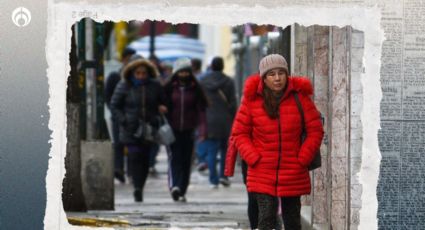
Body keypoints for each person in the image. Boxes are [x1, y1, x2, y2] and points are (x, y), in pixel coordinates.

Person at [227, 54, 324, 229]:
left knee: (292, 219)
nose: (277, 78)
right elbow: (240, 133)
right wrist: (253, 157)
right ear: (263, 78)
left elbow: (315, 130)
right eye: (271, 74)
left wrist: (303, 157)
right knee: (266, 217)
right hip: (262, 170)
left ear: (287, 74)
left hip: (293, 169)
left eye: (281, 73)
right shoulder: (251, 100)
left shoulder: (300, 98)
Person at [110, 57, 167, 202]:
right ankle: (136, 187)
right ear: (132, 73)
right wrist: (123, 119)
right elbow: (114, 105)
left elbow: (164, 101)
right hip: (131, 128)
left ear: (148, 73)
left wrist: (161, 109)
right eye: (138, 73)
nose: (141, 76)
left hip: (149, 127)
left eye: (144, 73)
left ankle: (140, 186)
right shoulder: (124, 85)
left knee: (145, 160)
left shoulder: (155, 86)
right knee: (134, 157)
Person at [164, 58, 208, 202]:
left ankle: (182, 189)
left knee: (186, 160)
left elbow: (201, 110)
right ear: (176, 73)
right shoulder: (169, 88)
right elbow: (161, 104)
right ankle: (175, 186)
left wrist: (202, 129)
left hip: (189, 129)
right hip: (172, 129)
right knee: (174, 158)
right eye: (181, 72)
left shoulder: (196, 88)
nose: (183, 74)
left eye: (186, 72)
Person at [198, 57, 237, 188]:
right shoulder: (229, 81)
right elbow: (232, 103)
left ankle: (213, 180)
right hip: (225, 120)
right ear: (222, 66)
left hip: (209, 120)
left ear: (212, 66)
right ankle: (223, 176)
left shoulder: (203, 81)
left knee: (211, 151)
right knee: (225, 150)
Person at [105, 47, 136, 184]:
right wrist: (114, 112)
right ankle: (118, 169)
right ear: (123, 59)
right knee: (118, 143)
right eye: (129, 59)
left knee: (131, 143)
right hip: (118, 116)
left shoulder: (137, 77)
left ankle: (131, 171)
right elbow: (107, 96)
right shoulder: (115, 76)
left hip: (133, 117)